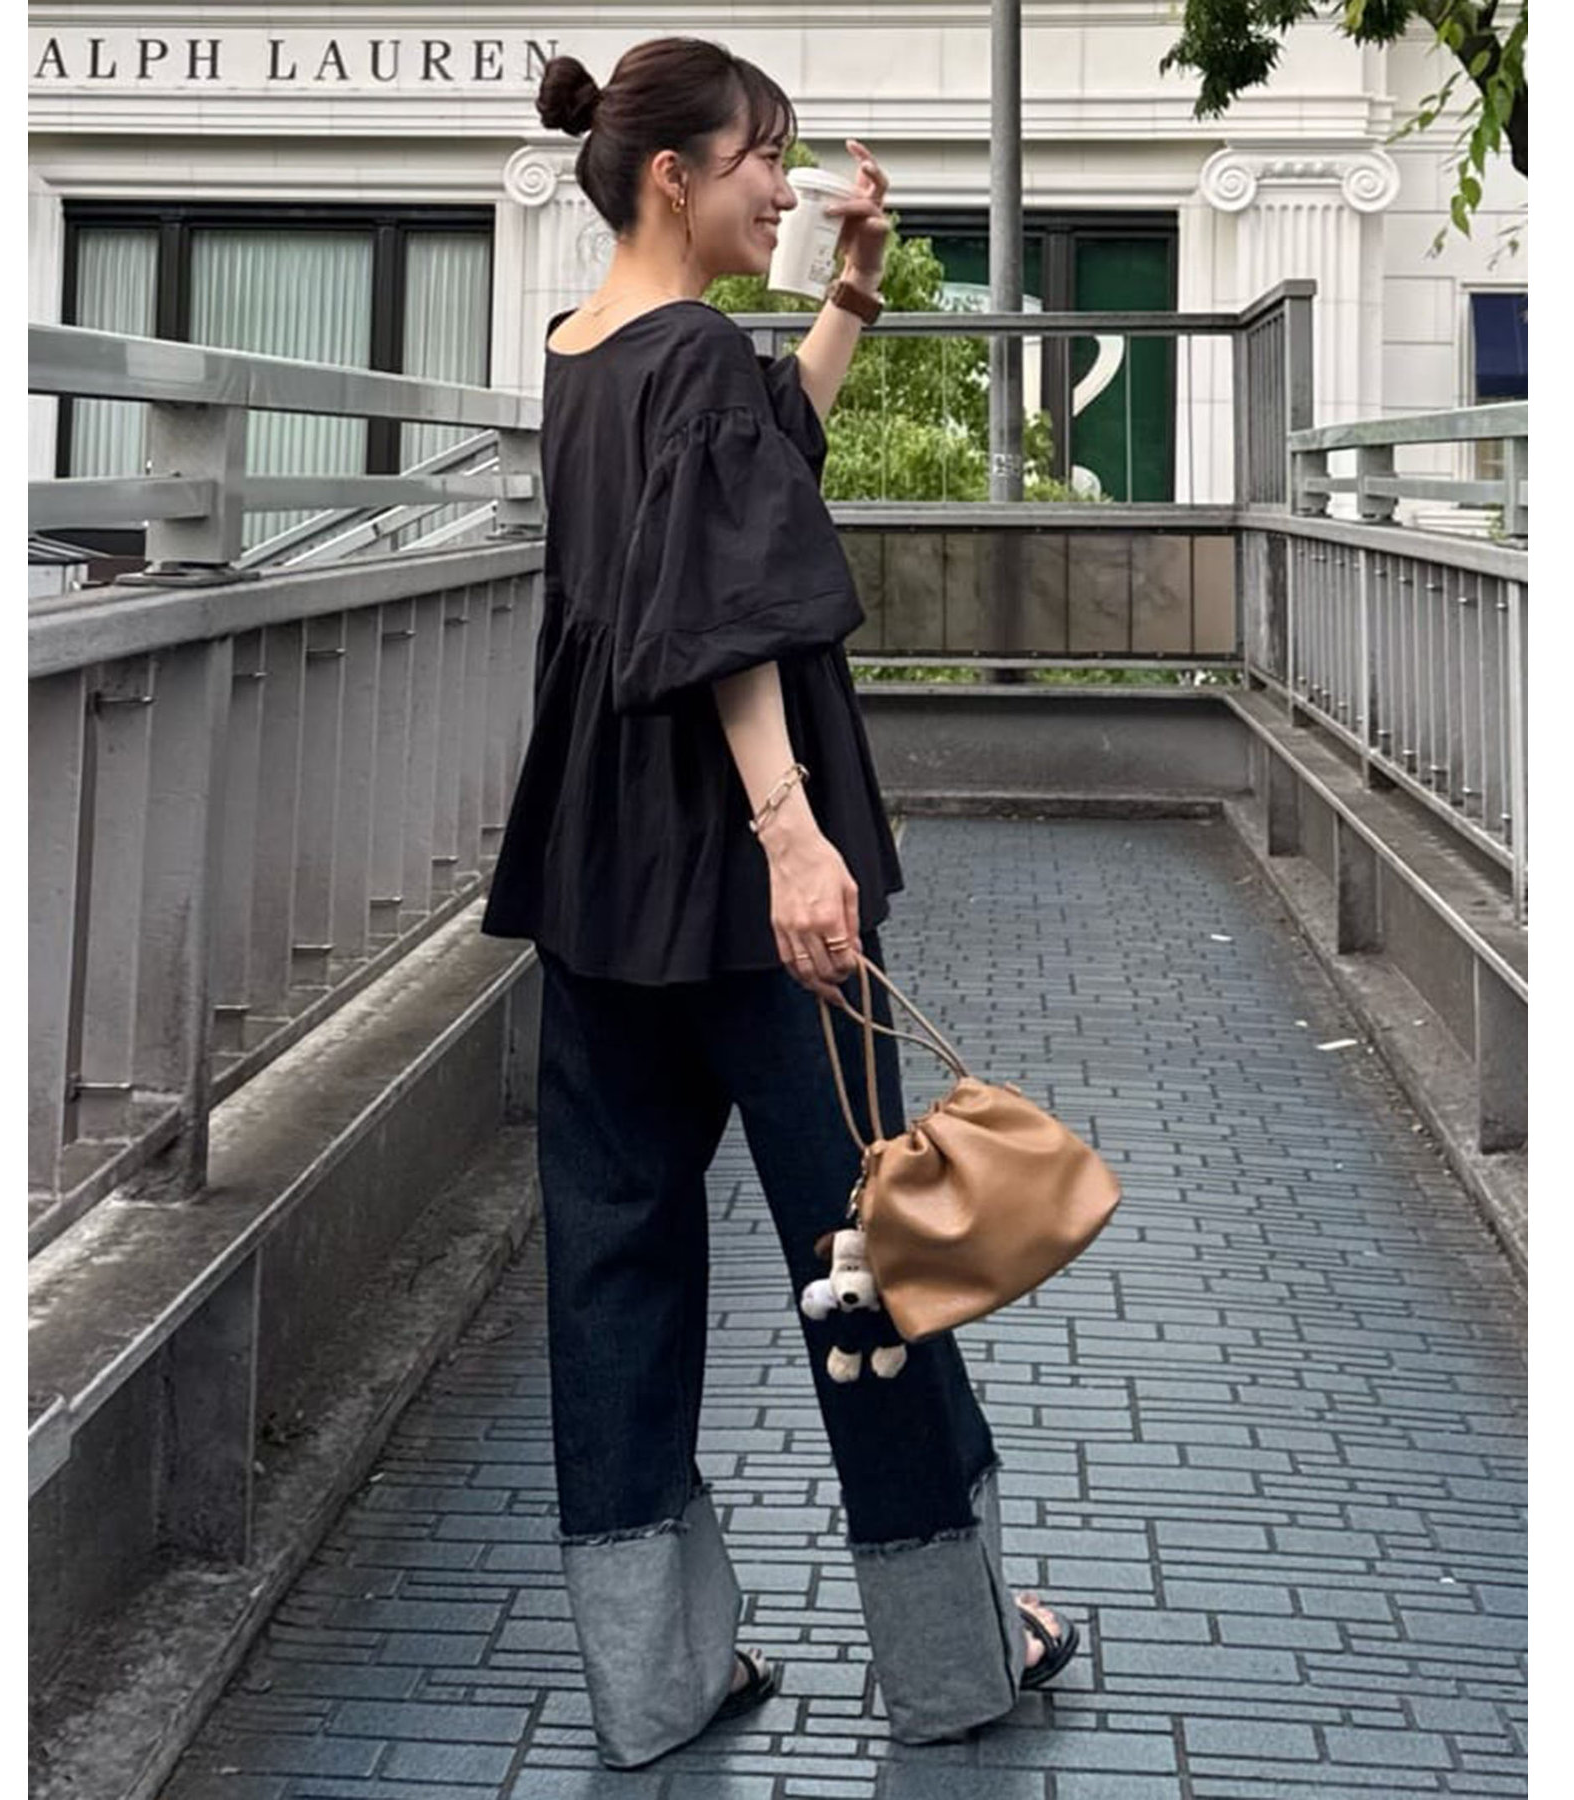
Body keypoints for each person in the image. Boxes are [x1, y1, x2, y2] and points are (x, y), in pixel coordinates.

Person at [479, 34, 1079, 1770]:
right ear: (675, 174)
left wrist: (852, 292)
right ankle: (958, 1654)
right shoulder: (687, 356)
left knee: (613, 1261)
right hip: (746, 884)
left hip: (602, 873)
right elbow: (733, 609)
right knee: (867, 1253)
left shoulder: (585, 353)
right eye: (766, 160)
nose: (783, 189)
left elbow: (752, 464)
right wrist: (793, 833)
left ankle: (653, 1678)